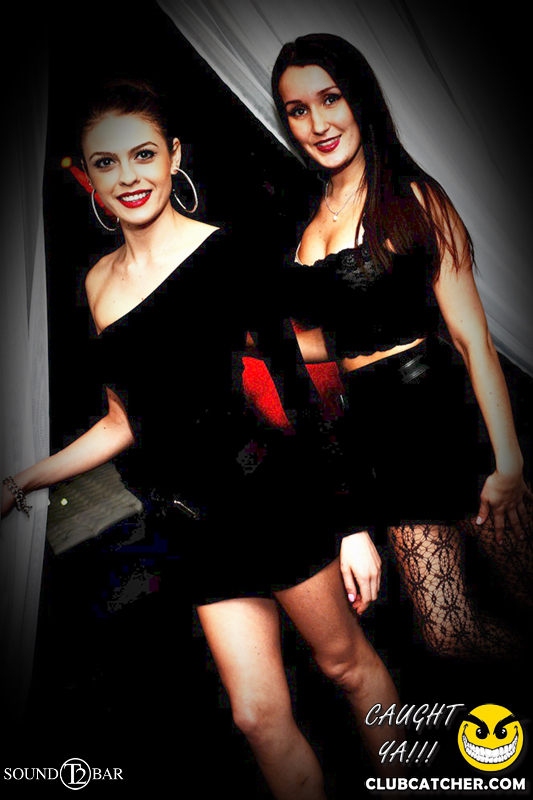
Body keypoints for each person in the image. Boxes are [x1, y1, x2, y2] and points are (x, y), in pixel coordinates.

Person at [2, 79, 404, 800]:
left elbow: (296, 394)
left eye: (143, 154)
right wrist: (20, 480)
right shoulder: (97, 284)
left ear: (174, 156)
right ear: (87, 176)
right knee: (256, 719)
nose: (129, 177)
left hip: (272, 501)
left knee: (346, 667)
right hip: (194, 526)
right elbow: (122, 422)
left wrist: (350, 526)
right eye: (107, 162)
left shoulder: (227, 253)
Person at [271, 33, 533, 659]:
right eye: (297, 109)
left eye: (330, 98)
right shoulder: (309, 224)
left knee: (529, 595)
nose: (318, 123)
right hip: (380, 444)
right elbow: (337, 342)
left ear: (358, 97)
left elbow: (472, 339)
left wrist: (509, 462)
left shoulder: (413, 196)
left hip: (450, 421)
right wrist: (253, 350)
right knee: (448, 636)